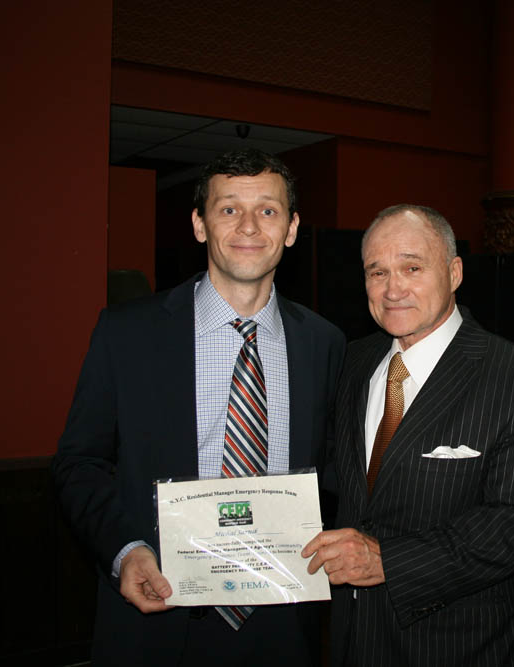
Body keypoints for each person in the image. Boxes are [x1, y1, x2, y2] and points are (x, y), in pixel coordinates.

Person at [52, 148, 345, 666]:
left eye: (269, 210)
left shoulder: (324, 343)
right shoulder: (126, 333)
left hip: (282, 620)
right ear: (199, 224)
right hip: (159, 611)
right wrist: (124, 551)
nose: (249, 226)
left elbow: (333, 472)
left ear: (293, 228)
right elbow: (80, 463)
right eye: (229, 209)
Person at [302, 204, 514, 666]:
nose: (392, 288)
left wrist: (388, 561)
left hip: (459, 645)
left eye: (412, 267)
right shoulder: (353, 363)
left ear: (455, 271)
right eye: (376, 271)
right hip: (353, 640)